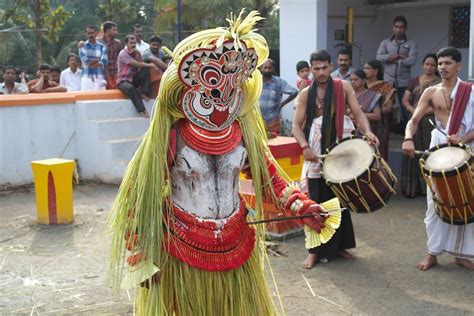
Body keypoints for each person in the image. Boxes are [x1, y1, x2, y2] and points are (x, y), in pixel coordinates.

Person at [109, 11, 333, 315]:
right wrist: (138, 253)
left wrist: (301, 206)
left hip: (236, 243)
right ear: (192, 88)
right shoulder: (172, 137)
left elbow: (269, 180)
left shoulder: (242, 134)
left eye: (231, 88)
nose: (222, 99)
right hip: (181, 247)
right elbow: (139, 195)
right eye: (213, 88)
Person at [293, 49, 379, 269]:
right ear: (310, 69)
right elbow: (296, 125)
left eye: (324, 67)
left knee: (341, 198)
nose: (321, 72)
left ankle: (340, 246)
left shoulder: (343, 87)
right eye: (316, 68)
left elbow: (358, 113)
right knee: (315, 202)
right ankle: (314, 251)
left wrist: (368, 131)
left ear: (331, 66)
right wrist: (304, 147)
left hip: (341, 147)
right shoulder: (305, 93)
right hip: (315, 150)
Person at [402, 47, 474, 271]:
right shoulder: (431, 92)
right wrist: (407, 138)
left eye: (447, 63)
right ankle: (432, 253)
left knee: (468, 201)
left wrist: (463, 138)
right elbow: (413, 120)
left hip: (467, 150)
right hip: (439, 150)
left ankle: (462, 253)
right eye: (440, 63)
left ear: (458, 66)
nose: (442, 67)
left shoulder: (470, 91)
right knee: (434, 202)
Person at [401, 54, 441, 198]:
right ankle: (411, 189)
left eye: (432, 65)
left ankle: (427, 189)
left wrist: (422, 112)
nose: (429, 67)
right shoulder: (414, 81)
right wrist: (414, 111)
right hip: (414, 120)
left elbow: (439, 105)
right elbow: (405, 99)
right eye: (427, 64)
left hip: (429, 123)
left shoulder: (439, 83)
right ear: (423, 65)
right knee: (412, 154)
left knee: (427, 152)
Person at [376, 16, 418, 130]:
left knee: (405, 107)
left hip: (404, 81)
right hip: (387, 80)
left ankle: (407, 132)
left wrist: (398, 59)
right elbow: (379, 57)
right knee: (384, 106)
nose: (399, 29)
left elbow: (412, 60)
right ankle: (384, 131)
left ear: (406, 29)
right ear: (393, 28)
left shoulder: (411, 43)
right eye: (396, 27)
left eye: (401, 27)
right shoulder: (385, 43)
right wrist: (391, 57)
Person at [117, 34, 158, 117]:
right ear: (126, 44)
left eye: (134, 43)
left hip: (133, 79)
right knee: (131, 88)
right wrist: (151, 65)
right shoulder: (123, 54)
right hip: (123, 81)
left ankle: (143, 92)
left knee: (145, 70)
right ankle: (142, 110)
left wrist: (149, 67)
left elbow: (141, 65)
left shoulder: (137, 53)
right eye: (131, 43)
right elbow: (135, 64)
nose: (133, 45)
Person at [364, 59, 396, 160]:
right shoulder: (360, 84)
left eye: (368, 68)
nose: (365, 70)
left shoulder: (385, 87)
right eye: (364, 68)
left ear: (376, 71)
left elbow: (388, 108)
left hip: (380, 125)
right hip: (361, 125)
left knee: (379, 153)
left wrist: (372, 111)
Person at [259, 58, 298, 134]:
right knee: (257, 144)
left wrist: (281, 104)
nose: (267, 70)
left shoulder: (279, 82)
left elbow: (294, 92)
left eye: (269, 68)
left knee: (274, 143)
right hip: (257, 121)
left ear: (273, 69)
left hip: (273, 121)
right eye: (265, 67)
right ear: (261, 68)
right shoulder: (256, 81)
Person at [349, 69, 383, 141]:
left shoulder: (371, 95)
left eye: (356, 79)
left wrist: (356, 114)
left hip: (367, 132)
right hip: (349, 132)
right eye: (351, 80)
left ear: (364, 81)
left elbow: (377, 116)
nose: (353, 82)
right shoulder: (347, 95)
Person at [79, 25, 108, 91]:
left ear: (96, 33)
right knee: (86, 100)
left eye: (92, 33)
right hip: (86, 78)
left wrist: (92, 63)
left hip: (99, 77)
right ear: (86, 34)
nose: (91, 35)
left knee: (101, 100)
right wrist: (98, 60)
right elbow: (86, 62)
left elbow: (104, 61)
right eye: (89, 33)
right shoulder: (82, 46)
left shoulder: (102, 46)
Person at [98, 21, 123, 89]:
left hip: (116, 73)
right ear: (107, 30)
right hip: (101, 75)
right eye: (114, 30)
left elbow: (121, 59)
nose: (116, 32)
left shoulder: (118, 43)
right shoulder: (98, 43)